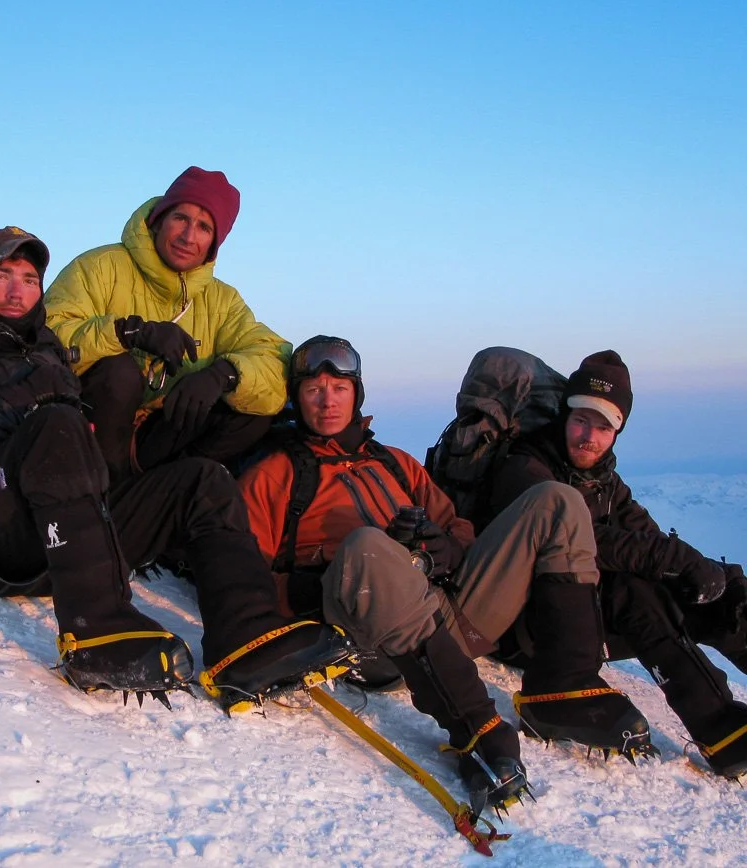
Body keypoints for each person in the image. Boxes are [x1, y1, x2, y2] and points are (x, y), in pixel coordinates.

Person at [0, 227, 355, 707]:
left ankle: (247, 639)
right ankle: (99, 633)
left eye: (29, 279)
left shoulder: (45, 350)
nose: (16, 290)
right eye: (0, 274)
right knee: (56, 423)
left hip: (63, 544)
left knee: (201, 480)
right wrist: (25, 398)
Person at [239, 336, 658, 815]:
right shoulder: (275, 474)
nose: (327, 399)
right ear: (297, 395)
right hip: (369, 640)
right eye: (314, 388)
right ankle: (475, 727)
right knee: (368, 545)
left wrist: (445, 548)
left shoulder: (395, 463)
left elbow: (457, 527)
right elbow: (246, 575)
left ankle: (563, 688)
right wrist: (318, 583)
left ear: (357, 393)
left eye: (339, 386)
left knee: (557, 501)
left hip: (449, 614)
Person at [487, 351, 747, 778]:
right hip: (527, 630)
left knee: (717, 594)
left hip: (583, 624)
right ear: (563, 416)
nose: (589, 436)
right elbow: (580, 539)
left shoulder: (606, 483)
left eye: (604, 426)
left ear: (617, 431)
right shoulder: (526, 468)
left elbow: (652, 543)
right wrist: (673, 558)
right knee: (635, 590)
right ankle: (719, 727)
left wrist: (707, 575)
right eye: (581, 420)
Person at [44, 167, 288, 486]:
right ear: (159, 219)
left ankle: (169, 483)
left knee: (252, 409)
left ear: (215, 242)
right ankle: (108, 489)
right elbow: (49, 340)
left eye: (204, 227)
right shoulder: (98, 267)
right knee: (118, 373)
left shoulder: (222, 300)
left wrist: (223, 374)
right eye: (181, 218)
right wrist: (129, 333)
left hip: (155, 440)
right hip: (90, 436)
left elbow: (274, 362)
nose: (188, 237)